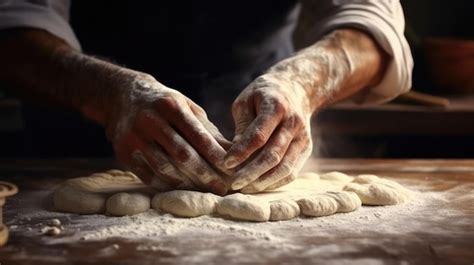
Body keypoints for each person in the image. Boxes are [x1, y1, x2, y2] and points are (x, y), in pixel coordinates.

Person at [0, 1, 412, 195]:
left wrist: (301, 83)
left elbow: (372, 21)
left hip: (260, 120)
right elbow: (13, 21)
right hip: (78, 132)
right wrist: (111, 95)